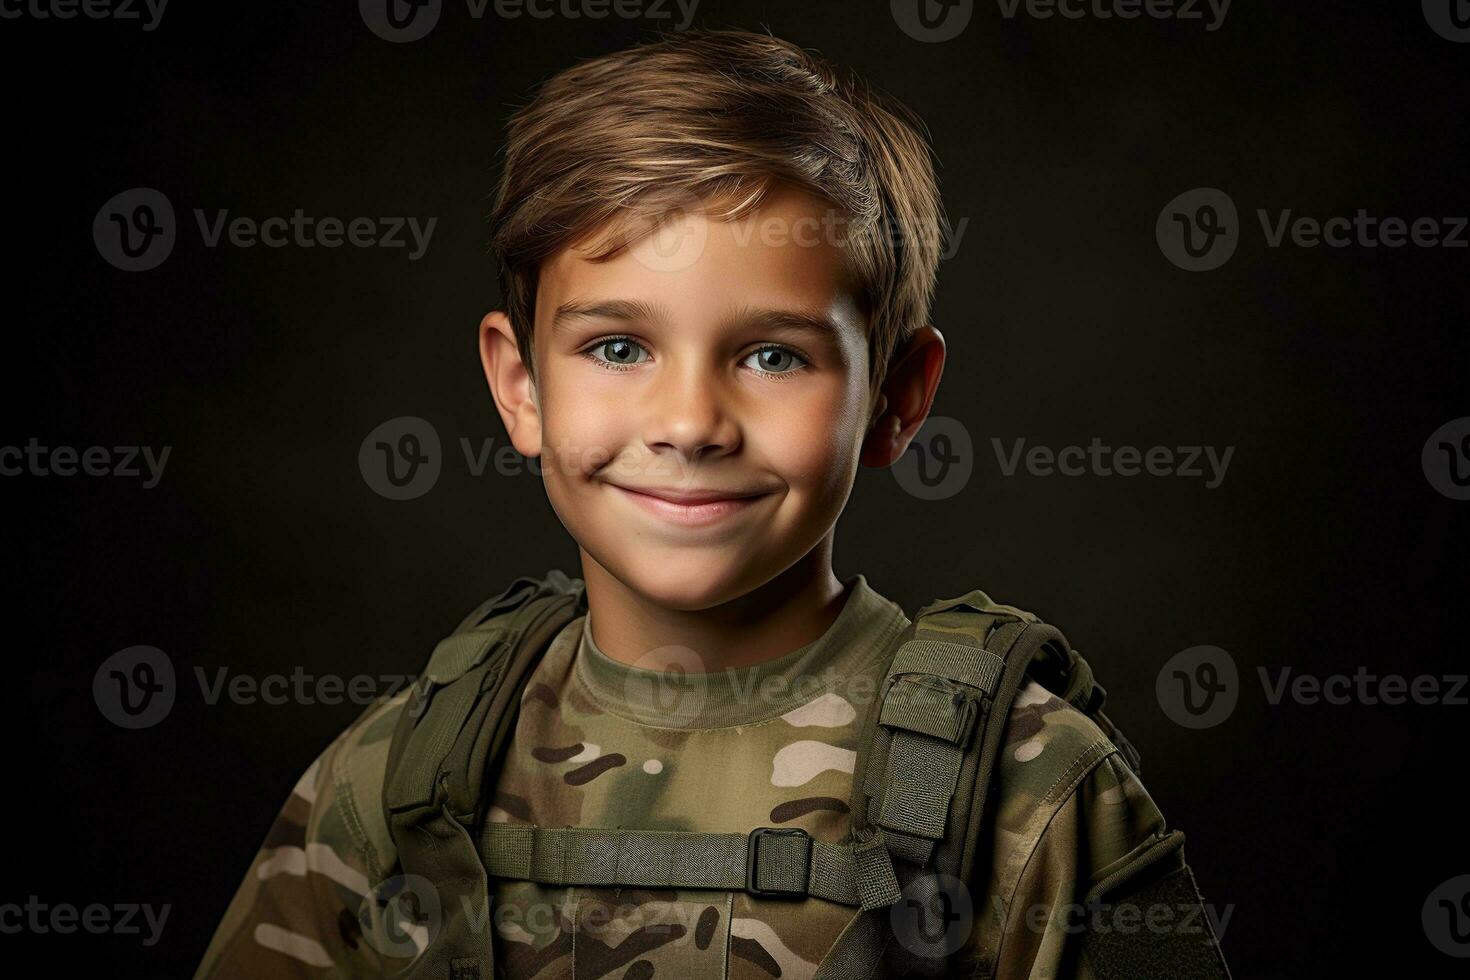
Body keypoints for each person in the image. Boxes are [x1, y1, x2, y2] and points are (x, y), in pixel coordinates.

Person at [195, 28, 1229, 979]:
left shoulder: (1030, 791)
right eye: (618, 347)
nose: (689, 422)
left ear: (897, 397)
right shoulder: (395, 780)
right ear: (521, 388)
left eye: (774, 354)